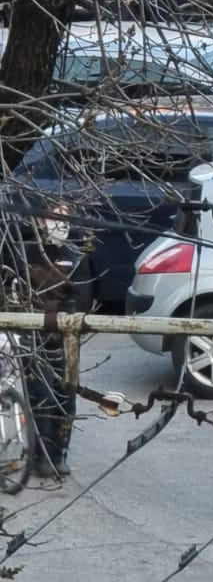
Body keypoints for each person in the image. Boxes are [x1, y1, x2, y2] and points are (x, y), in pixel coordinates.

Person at [18, 205, 88, 479]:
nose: (60, 223)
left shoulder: (74, 253)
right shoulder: (22, 250)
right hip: (33, 334)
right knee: (42, 396)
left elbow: (83, 294)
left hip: (66, 337)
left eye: (64, 215)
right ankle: (41, 456)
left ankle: (59, 454)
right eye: (53, 216)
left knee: (66, 396)